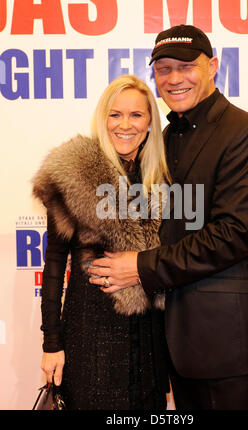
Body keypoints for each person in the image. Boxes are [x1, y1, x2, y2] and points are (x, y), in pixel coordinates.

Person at [88, 25, 248, 410]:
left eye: (186, 66)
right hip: (172, 343)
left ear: (214, 66)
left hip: (226, 341)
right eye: (164, 69)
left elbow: (233, 235)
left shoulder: (246, 132)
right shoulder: (164, 138)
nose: (174, 78)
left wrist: (139, 266)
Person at [32, 75, 171, 410]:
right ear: (102, 118)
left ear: (150, 121)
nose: (125, 124)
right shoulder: (75, 173)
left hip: (149, 343)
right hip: (91, 339)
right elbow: (54, 263)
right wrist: (52, 342)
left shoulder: (163, 180)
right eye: (115, 114)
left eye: (136, 115)